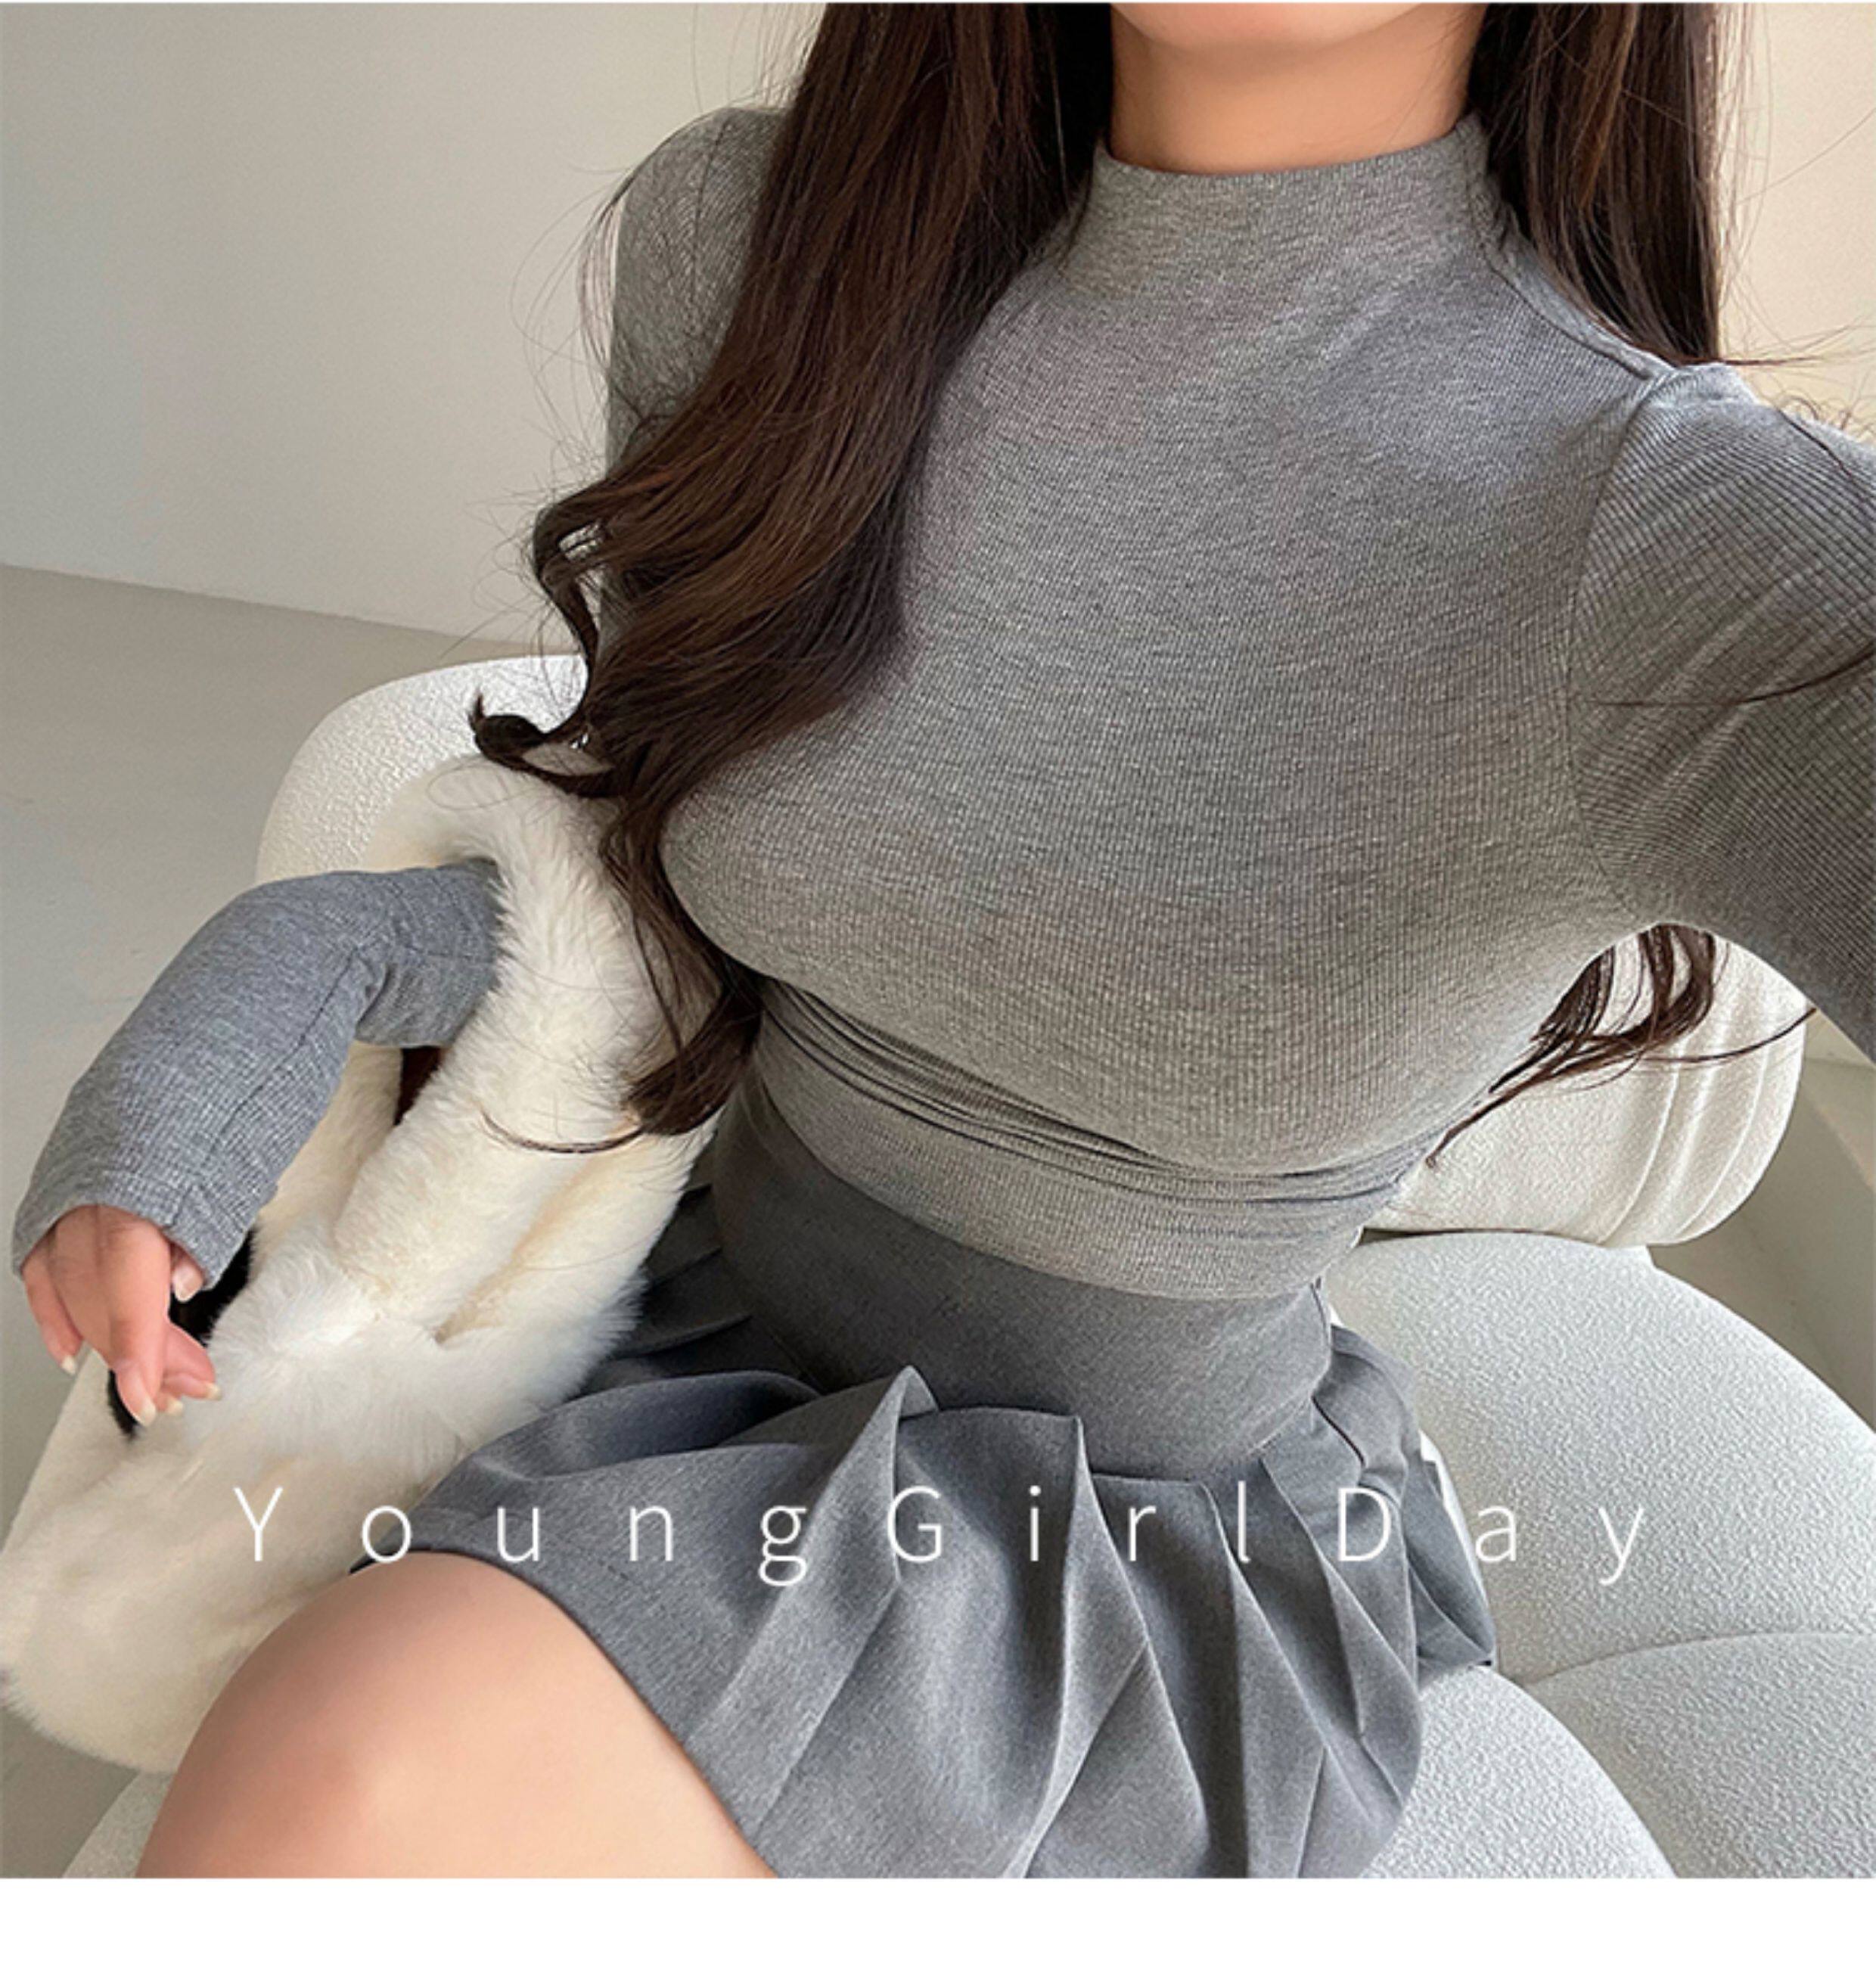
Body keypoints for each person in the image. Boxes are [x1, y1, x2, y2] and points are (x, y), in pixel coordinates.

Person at [13, 3, 1873, 1876]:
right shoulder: (758, 256)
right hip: (657, 1323)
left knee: (370, 1754)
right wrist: (193, 1084)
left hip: (1091, 1563)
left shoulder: (1675, 535)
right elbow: (610, 909)